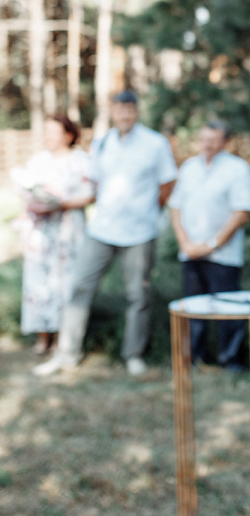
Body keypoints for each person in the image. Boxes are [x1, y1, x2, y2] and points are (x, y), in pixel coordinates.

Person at [34, 90, 177, 378]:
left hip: (139, 232)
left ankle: (133, 354)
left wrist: (147, 211)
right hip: (101, 229)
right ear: (113, 112)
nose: (124, 115)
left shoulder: (155, 144)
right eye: (119, 110)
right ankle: (67, 353)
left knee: (138, 295)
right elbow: (96, 183)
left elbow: (167, 184)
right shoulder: (102, 144)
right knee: (79, 287)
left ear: (136, 112)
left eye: (129, 110)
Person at [169, 120, 250, 370]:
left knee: (228, 308)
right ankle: (194, 358)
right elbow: (175, 207)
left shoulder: (238, 169)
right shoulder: (189, 167)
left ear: (225, 142)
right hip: (190, 251)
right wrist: (185, 243)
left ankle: (231, 360)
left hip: (223, 254)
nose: (207, 144)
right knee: (193, 307)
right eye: (204, 138)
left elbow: (242, 212)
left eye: (213, 139)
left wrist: (211, 245)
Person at [12, 114, 94, 355]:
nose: (48, 136)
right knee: (38, 283)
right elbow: (26, 193)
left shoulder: (81, 160)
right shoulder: (38, 160)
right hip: (42, 232)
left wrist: (61, 203)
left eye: (53, 132)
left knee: (65, 285)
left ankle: (62, 337)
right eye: (46, 131)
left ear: (68, 135)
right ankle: (42, 336)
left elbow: (89, 195)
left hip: (68, 231)